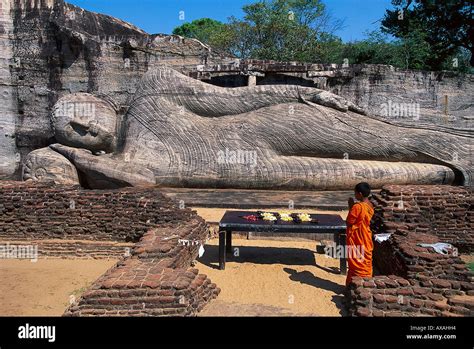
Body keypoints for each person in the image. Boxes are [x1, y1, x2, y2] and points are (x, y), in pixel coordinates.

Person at [345, 182, 374, 286]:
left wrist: (350, 207)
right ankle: (365, 285)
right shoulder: (370, 205)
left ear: (360, 194)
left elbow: (349, 222)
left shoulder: (357, 207)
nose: (355, 195)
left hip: (357, 238)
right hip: (366, 238)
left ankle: (353, 286)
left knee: (356, 264)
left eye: (355, 193)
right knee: (365, 263)